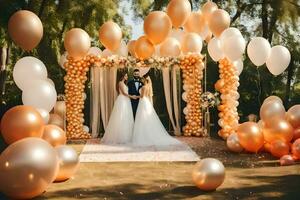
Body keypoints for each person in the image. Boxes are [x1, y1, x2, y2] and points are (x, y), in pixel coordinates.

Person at [132, 77, 182, 146]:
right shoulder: (148, 87)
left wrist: (135, 96)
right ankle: (147, 134)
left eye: (141, 80)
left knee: (142, 117)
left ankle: (143, 135)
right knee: (146, 118)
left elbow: (142, 96)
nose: (141, 81)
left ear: (144, 81)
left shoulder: (143, 87)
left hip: (143, 102)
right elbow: (149, 95)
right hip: (147, 102)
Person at [101, 73, 134, 144]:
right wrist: (132, 97)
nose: (127, 77)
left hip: (126, 100)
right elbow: (124, 93)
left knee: (126, 117)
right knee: (121, 117)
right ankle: (119, 137)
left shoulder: (124, 83)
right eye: (125, 76)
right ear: (122, 76)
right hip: (122, 100)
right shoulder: (120, 83)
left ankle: (126, 136)